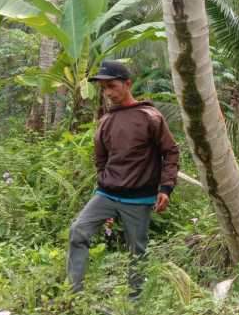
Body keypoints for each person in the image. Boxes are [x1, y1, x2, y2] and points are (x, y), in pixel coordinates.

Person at [67, 60, 179, 299]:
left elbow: (170, 152)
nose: (108, 93)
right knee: (78, 231)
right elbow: (100, 158)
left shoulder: (150, 116)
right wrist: (105, 181)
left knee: (137, 250)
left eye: (112, 86)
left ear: (127, 84)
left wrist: (166, 188)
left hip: (139, 198)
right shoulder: (106, 121)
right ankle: (74, 294)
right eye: (104, 88)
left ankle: (135, 300)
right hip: (107, 194)